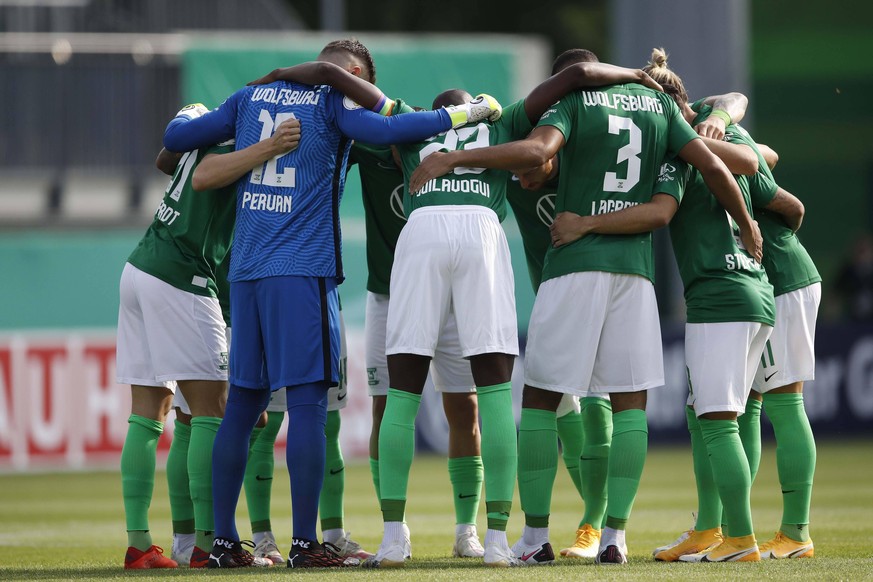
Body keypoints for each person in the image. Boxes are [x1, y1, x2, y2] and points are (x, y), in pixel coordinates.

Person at [409, 48, 762, 566]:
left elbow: (535, 153)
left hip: (574, 266)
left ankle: (533, 538)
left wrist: (454, 158)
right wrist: (746, 222)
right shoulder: (657, 106)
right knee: (630, 406)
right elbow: (713, 162)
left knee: (539, 402)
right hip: (635, 274)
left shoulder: (573, 104)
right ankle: (615, 537)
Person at [162, 39, 502, 569]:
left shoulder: (249, 97)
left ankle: (224, 544)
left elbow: (177, 139)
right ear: (351, 76)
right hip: (301, 271)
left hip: (246, 271)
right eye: (361, 82)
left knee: (243, 407)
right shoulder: (332, 101)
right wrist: (466, 112)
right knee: (309, 409)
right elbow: (390, 129)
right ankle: (304, 544)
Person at [372, 57, 665, 568]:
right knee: (493, 391)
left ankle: (394, 540)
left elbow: (351, 92)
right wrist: (637, 76)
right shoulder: (500, 123)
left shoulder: (410, 125)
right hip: (481, 231)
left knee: (402, 391)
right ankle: (498, 542)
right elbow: (575, 75)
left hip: (420, 233)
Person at [117, 105, 299, 570]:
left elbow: (169, 156)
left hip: (141, 268)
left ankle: (141, 543)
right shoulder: (235, 146)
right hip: (181, 277)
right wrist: (271, 147)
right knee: (211, 412)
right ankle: (208, 545)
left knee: (151, 414)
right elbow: (203, 176)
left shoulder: (197, 137)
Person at [506, 151, 613, 560]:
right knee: (561, 405)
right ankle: (593, 522)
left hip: (598, 291)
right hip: (550, 299)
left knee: (595, 397)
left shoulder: (587, 167)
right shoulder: (515, 181)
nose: (524, 180)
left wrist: (722, 118)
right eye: (516, 172)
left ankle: (595, 525)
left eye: (529, 168)